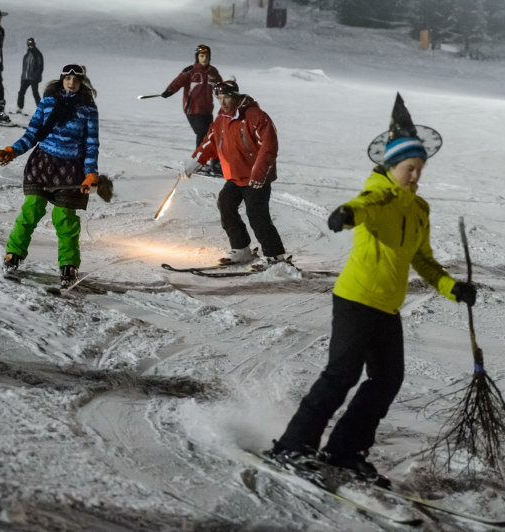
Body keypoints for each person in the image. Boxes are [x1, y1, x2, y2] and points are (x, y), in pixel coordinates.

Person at [267, 94, 477, 485]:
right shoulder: (378, 194)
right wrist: (347, 215)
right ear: (392, 166)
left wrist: (453, 288)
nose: (414, 177)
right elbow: (362, 205)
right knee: (341, 375)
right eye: (409, 169)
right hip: (357, 298)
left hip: (387, 307)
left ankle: (345, 450)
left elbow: (423, 260)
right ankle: (292, 446)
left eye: (419, 170)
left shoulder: (419, 209)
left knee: (387, 380)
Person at [0, 64, 99, 288]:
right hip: (43, 164)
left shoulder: (88, 109)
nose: (71, 82)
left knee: (65, 219)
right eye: (67, 78)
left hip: (71, 170)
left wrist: (90, 173)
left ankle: (68, 266)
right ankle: (13, 254)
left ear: (82, 83)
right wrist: (12, 151)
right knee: (31, 209)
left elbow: (91, 144)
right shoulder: (47, 102)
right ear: (62, 79)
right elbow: (32, 133)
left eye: (76, 79)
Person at [182, 80, 286, 268]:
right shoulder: (220, 120)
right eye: (219, 98)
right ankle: (241, 249)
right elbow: (209, 143)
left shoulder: (255, 116)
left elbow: (268, 147)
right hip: (235, 176)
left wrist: (259, 173)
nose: (222, 102)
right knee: (226, 205)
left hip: (256, 177)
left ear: (236, 96)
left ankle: (274, 255)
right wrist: (194, 163)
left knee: (257, 215)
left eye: (226, 97)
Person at [162, 44, 222, 174]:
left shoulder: (213, 72)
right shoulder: (190, 71)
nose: (204, 58)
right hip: (193, 109)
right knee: (203, 135)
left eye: (206, 56)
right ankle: (199, 164)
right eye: (201, 56)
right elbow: (177, 82)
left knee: (214, 135)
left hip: (207, 110)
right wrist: (169, 91)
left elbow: (220, 87)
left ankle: (216, 164)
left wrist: (229, 90)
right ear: (197, 57)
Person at [16, 37, 44, 113]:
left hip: (33, 78)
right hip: (25, 78)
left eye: (32, 44)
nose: (30, 45)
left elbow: (40, 67)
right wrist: (22, 77)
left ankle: (41, 110)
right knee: (21, 92)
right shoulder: (26, 55)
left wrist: (36, 76)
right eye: (29, 44)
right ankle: (19, 108)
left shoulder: (38, 54)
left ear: (34, 44)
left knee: (35, 93)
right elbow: (24, 68)